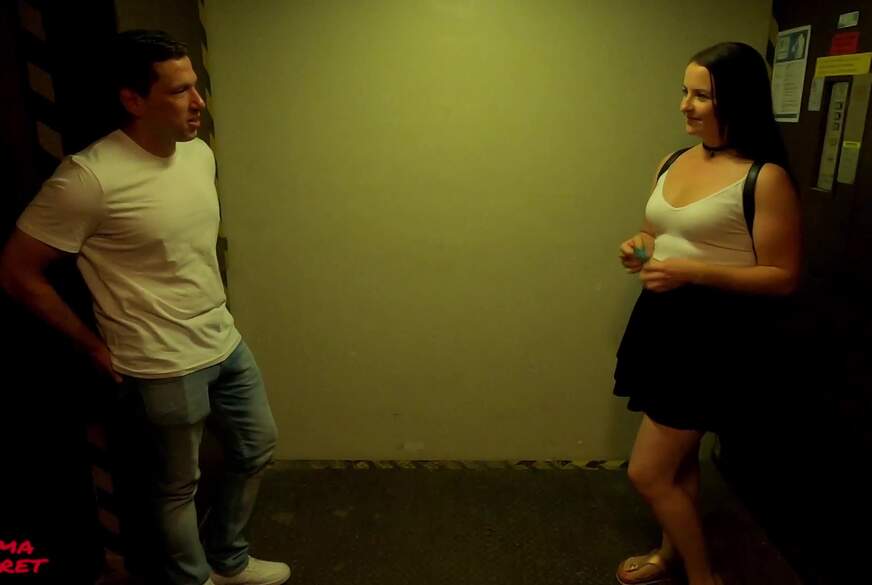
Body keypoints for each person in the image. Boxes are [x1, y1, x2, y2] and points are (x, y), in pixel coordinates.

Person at [0, 30, 290, 585]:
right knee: (177, 486)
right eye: (179, 91)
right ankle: (192, 579)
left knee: (257, 445)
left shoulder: (198, 154)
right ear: (133, 100)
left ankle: (228, 560)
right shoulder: (89, 178)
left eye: (195, 86)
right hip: (159, 361)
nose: (198, 101)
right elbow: (17, 272)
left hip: (222, 339)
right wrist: (90, 344)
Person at [612, 42, 801, 585]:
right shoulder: (673, 160)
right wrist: (641, 247)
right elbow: (658, 232)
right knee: (678, 463)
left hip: (713, 337)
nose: (685, 105)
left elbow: (783, 275)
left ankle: (702, 578)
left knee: (648, 473)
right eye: (684, 92)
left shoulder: (764, 177)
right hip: (661, 322)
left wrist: (693, 274)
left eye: (702, 95)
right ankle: (670, 553)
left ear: (736, 101)